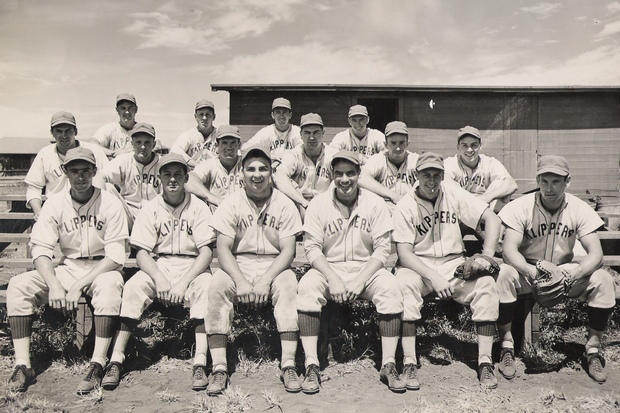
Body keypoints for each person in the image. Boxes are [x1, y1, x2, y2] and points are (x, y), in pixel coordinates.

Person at [6, 147, 128, 395]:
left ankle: (98, 362)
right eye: (74, 171)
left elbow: (116, 255)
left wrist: (77, 285)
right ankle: (23, 364)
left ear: (94, 171)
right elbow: (40, 250)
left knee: (109, 289)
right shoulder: (54, 203)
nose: (81, 176)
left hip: (102, 267)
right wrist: (53, 283)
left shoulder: (110, 202)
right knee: (19, 286)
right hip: (69, 265)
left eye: (86, 171)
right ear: (65, 172)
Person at [495, 155, 616, 383]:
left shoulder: (578, 208)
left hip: (565, 272)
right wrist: (529, 272)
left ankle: (592, 350)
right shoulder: (520, 206)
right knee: (503, 274)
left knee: (604, 280)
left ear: (567, 181)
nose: (549, 188)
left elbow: (596, 254)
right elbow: (509, 250)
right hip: (528, 270)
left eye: (556, 182)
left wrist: (574, 273)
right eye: (544, 181)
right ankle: (506, 347)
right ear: (537, 180)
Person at [102, 153, 216, 391]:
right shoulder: (150, 207)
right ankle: (116, 359)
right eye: (167, 174)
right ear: (159, 178)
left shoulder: (199, 206)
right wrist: (160, 278)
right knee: (133, 287)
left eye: (178, 175)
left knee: (207, 288)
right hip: (159, 263)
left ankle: (200, 361)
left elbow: (206, 252)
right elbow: (141, 252)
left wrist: (183, 282)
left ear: (186, 178)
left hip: (192, 265)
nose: (172, 179)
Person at [392, 152, 505, 390]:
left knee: (486, 285)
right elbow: (404, 254)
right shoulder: (405, 205)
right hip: (418, 266)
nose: (431, 181)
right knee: (403, 286)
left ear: (443, 175)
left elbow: (492, 219)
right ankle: (410, 362)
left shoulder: (454, 194)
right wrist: (432, 277)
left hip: (453, 264)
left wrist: (486, 256)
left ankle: (485, 361)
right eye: (426, 175)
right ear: (416, 175)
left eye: (436, 175)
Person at [297, 150, 404, 394]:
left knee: (391, 288)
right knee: (307, 287)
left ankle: (388, 363)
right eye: (339, 174)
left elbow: (382, 249)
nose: (345, 179)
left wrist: (361, 279)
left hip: (366, 268)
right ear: (332, 175)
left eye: (351, 173)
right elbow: (312, 249)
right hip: (328, 267)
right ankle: (312, 364)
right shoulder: (318, 203)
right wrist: (332, 278)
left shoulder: (374, 202)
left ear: (359, 175)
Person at [205, 143, 302, 395]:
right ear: (242, 174)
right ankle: (218, 367)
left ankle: (288, 363)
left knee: (289, 285)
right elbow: (223, 248)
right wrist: (242, 281)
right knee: (216, 285)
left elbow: (289, 251)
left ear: (271, 172)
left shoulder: (285, 203)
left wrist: (265, 280)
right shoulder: (231, 202)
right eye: (250, 169)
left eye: (263, 168)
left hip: (275, 265)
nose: (256, 174)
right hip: (239, 263)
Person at [25, 111, 108, 222]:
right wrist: (39, 211)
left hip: (92, 211)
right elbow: (33, 188)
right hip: (57, 212)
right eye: (59, 131)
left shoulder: (94, 150)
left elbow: (108, 181)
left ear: (75, 131)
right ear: (52, 133)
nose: (64, 136)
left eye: (68, 131)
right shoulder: (45, 154)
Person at [99, 122, 161, 229]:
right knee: (108, 188)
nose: (143, 146)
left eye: (147, 142)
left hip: (155, 216)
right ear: (132, 144)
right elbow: (100, 176)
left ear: (153, 145)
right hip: (128, 215)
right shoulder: (124, 160)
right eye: (138, 142)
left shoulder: (163, 163)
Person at [272, 113, 337, 215]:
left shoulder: (332, 154)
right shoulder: (294, 154)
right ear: (301, 134)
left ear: (323, 133)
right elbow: (280, 177)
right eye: (307, 133)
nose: (311, 137)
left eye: (316, 132)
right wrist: (303, 202)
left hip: (327, 205)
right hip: (300, 205)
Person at [444, 126, 518, 213]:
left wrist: (488, 197)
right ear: (458, 147)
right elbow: (445, 183)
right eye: (464, 145)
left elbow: (512, 184)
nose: (469, 150)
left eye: (474, 145)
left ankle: (491, 223)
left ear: (480, 146)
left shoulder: (489, 162)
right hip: (461, 211)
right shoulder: (450, 163)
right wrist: (471, 200)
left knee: (500, 184)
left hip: (486, 210)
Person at [359, 121, 419, 210]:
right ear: (385, 144)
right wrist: (393, 196)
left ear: (407, 144)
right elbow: (361, 178)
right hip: (384, 213)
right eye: (393, 143)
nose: (398, 148)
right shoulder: (379, 159)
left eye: (402, 143)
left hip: (410, 211)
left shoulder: (414, 159)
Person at [185, 125, 244, 211]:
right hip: (217, 217)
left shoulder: (246, 164)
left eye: (233, 142)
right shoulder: (211, 164)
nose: (229, 147)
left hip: (242, 216)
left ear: (239, 145)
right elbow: (188, 180)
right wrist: (212, 198)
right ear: (217, 145)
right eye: (224, 143)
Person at [242, 97, 302, 167]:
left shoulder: (297, 131)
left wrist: (285, 158)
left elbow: (304, 149)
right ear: (273, 115)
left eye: (284, 112)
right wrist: (268, 157)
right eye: (278, 112)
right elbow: (245, 148)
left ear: (290, 115)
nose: (281, 116)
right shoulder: (266, 132)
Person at [170, 99, 218, 168]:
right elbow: (175, 151)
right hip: (193, 174)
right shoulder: (189, 135)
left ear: (214, 117)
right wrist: (196, 164)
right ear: (195, 117)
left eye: (208, 114)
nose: (204, 118)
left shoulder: (220, 135)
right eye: (201, 114)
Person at [87, 93, 139, 158]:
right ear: (117, 110)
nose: (127, 112)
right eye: (123, 108)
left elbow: (155, 145)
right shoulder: (110, 128)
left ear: (136, 109)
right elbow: (91, 143)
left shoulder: (142, 129)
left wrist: (131, 151)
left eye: (130, 108)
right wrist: (114, 153)